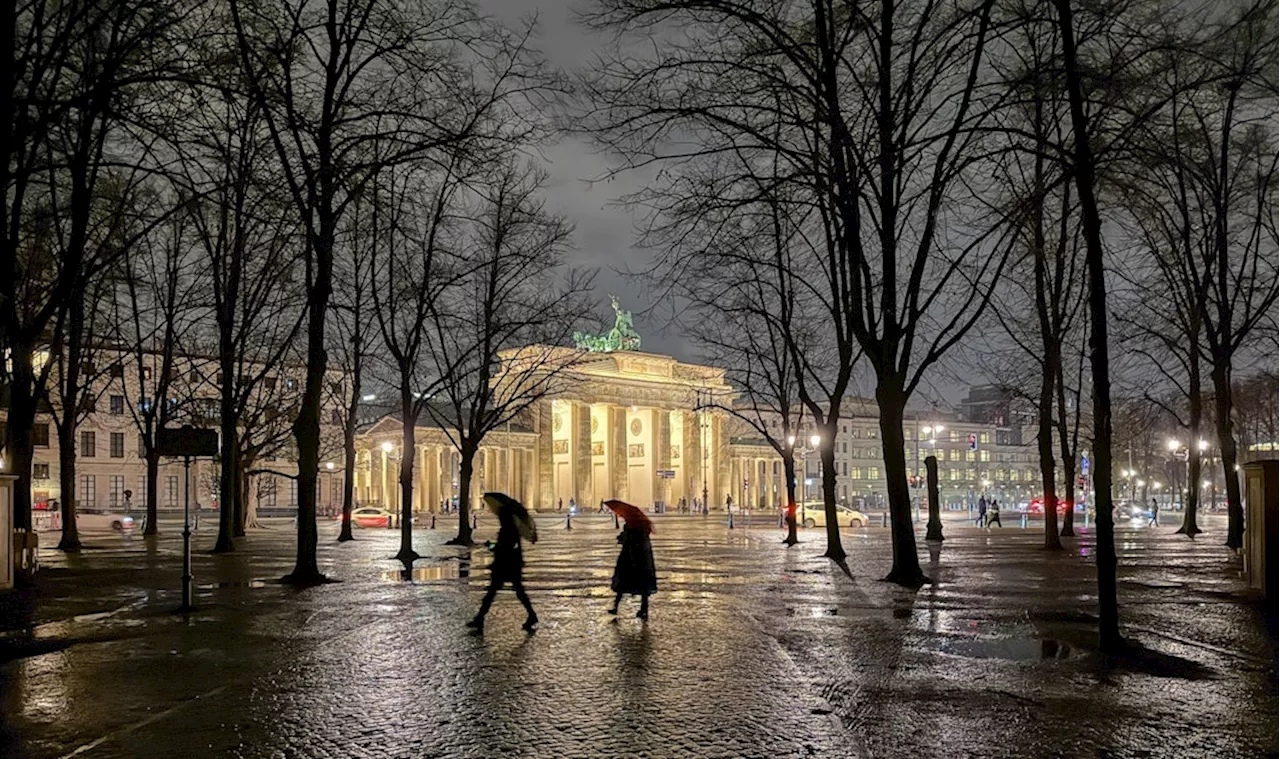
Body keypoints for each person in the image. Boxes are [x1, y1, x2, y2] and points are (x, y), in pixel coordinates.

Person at [467, 507, 537, 632]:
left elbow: (504, 547)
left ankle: (480, 618)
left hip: (506, 565)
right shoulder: (511, 529)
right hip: (510, 565)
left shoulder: (508, 530)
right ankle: (531, 615)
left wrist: (491, 546)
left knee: (493, 592)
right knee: (512, 592)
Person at [609, 521, 657, 620]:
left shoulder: (631, 529)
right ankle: (644, 610)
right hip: (644, 562)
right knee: (643, 587)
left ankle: (616, 607)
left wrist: (621, 538)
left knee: (622, 584)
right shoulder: (644, 529)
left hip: (628, 561)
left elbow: (626, 541)